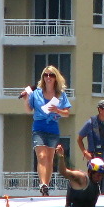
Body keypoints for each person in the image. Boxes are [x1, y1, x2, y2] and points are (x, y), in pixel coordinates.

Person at [20, 65, 71, 196]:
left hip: (53, 128)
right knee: (41, 156)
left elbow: (66, 113)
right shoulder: (36, 93)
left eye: (51, 75)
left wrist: (57, 110)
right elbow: (28, 110)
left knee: (49, 158)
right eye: (46, 75)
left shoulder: (60, 95)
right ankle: (42, 184)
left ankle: (46, 187)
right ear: (43, 77)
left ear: (56, 78)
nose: (48, 77)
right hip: (39, 127)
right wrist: (26, 99)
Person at [76, 99, 104, 194]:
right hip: (94, 161)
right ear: (100, 110)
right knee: (92, 191)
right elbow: (79, 139)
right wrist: (84, 152)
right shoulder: (90, 123)